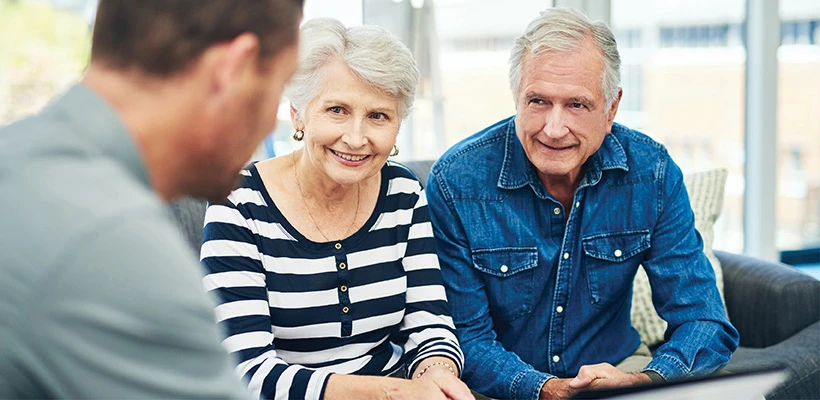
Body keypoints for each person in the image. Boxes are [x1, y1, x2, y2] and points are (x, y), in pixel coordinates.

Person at [425, 8, 739, 400]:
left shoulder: (651, 174)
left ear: (611, 108)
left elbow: (704, 319)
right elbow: (464, 339)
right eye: (538, 101)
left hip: (620, 372)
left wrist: (647, 382)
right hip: (498, 386)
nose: (554, 129)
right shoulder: (457, 182)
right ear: (517, 98)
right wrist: (546, 390)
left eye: (577, 105)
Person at [0, 1, 303, 398]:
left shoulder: (19, 156)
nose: (270, 122)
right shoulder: (114, 244)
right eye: (281, 87)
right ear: (234, 69)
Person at [200, 18, 473, 400]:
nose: (356, 138)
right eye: (337, 110)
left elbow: (430, 325)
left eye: (378, 115)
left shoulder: (403, 190)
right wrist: (389, 393)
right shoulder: (238, 201)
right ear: (298, 113)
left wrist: (436, 373)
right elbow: (247, 370)